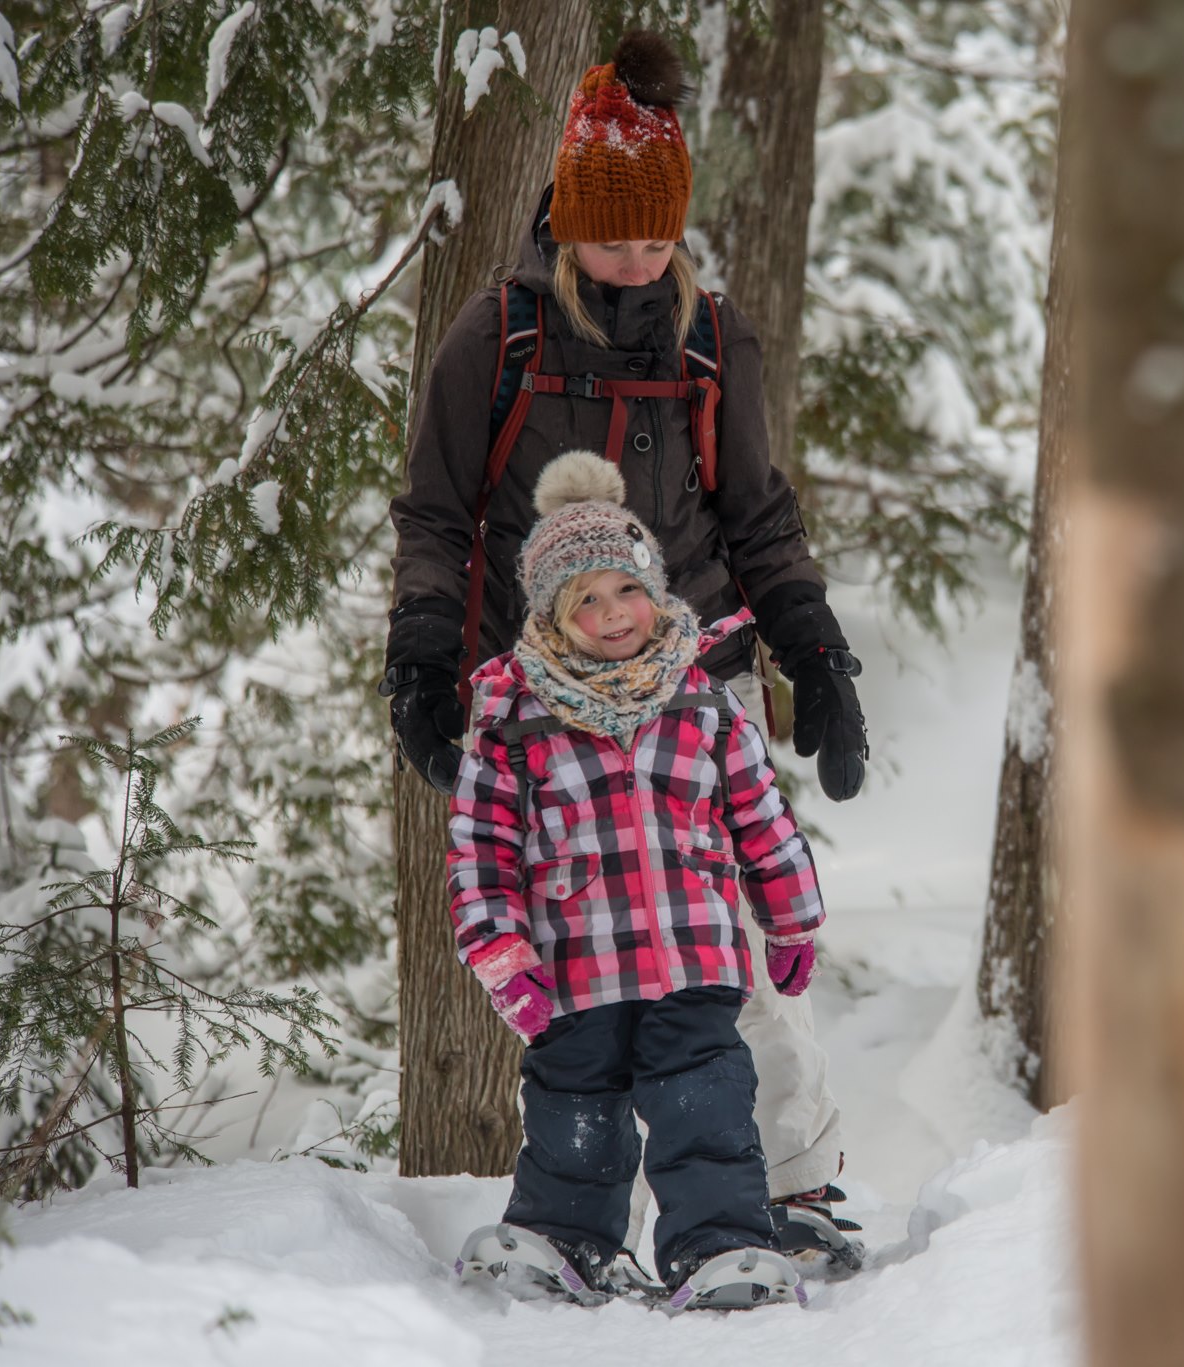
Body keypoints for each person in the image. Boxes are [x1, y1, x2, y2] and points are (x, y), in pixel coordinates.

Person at [382, 29, 859, 1266]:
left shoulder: (712, 339)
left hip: (695, 682)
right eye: (615, 236)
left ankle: (784, 1193)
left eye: (657, 238)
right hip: (536, 700)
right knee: (575, 961)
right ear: (567, 219)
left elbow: (757, 514)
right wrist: (424, 663)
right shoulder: (497, 338)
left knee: (733, 949)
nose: (638, 260)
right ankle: (571, 1220)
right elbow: (436, 511)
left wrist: (817, 656)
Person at [449, 451, 817, 1311]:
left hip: (694, 954)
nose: (614, 614)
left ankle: (720, 1245)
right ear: (550, 617)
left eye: (628, 590)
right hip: (577, 962)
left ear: (655, 588)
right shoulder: (514, 721)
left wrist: (792, 920)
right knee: (574, 1107)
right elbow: (481, 848)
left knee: (705, 1103)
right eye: (586, 601)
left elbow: (763, 819)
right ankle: (562, 1239)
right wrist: (501, 953)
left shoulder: (704, 702)